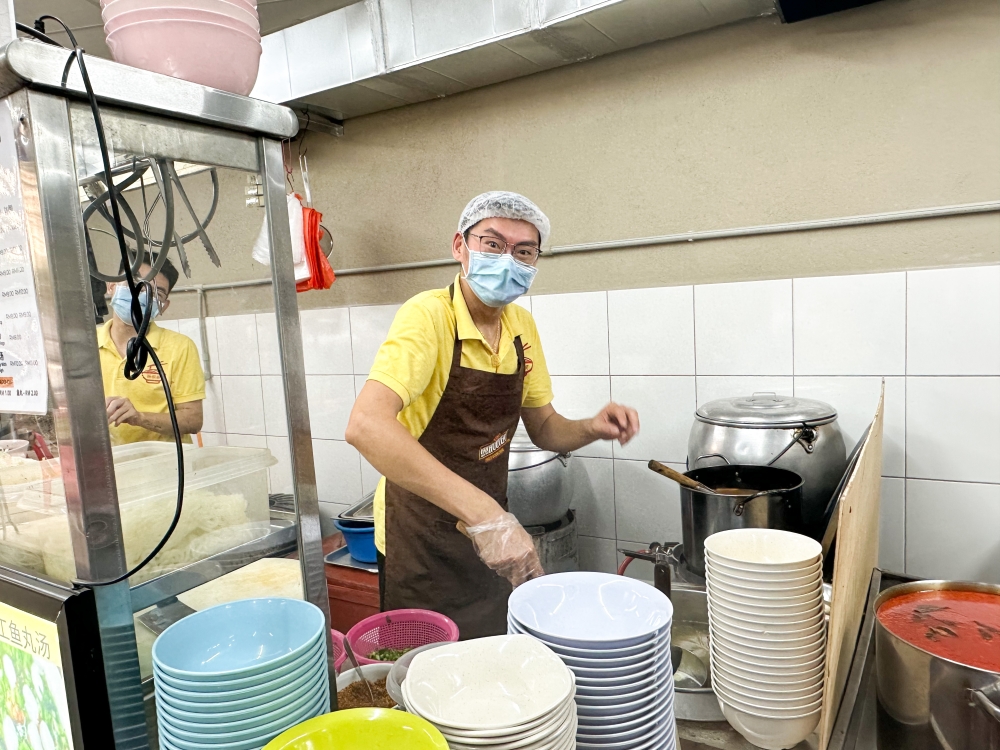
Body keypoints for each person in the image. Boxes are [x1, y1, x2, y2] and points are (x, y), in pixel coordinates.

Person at [346, 191, 640, 638]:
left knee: (487, 662)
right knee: (427, 670)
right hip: (420, 537)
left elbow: (544, 428)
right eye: (493, 243)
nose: (508, 259)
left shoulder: (521, 327)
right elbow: (366, 425)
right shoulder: (429, 317)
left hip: (489, 537)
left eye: (524, 251)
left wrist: (590, 428)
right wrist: (486, 516)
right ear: (459, 247)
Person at [99, 254, 205, 445]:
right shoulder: (86, 346)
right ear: (111, 286)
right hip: (109, 464)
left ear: (163, 306)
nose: (142, 294)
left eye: (156, 293)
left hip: (166, 466)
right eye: (137, 282)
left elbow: (193, 420)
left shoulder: (179, 347)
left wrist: (139, 418)